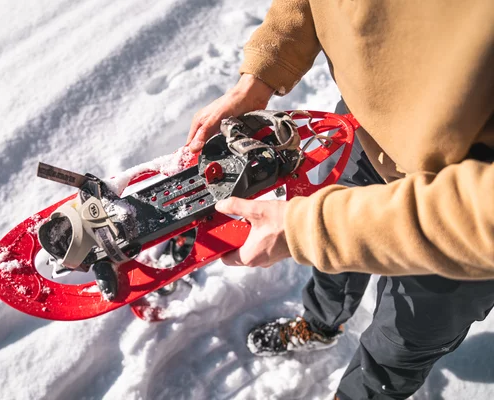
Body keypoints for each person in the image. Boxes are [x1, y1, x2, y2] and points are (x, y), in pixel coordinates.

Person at [187, 1, 494, 399]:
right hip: (369, 128)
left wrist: (310, 229)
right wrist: (259, 76)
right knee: (332, 256)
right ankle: (319, 324)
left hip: (462, 213)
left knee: (397, 346)